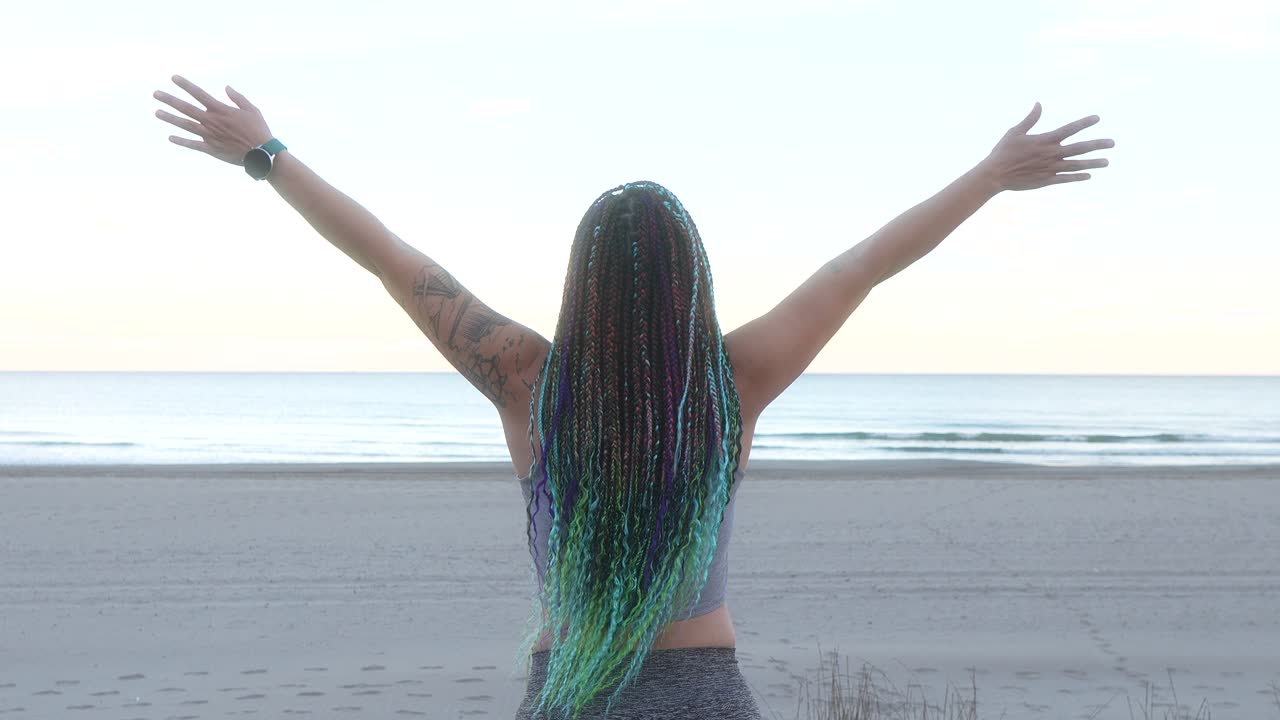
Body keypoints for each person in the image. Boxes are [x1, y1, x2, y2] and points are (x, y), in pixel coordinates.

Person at [153, 75, 1113, 719]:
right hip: (704, 687)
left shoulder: (525, 377)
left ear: (581, 281)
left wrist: (267, 155)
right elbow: (862, 266)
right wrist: (988, 177)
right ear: (694, 279)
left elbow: (392, 261)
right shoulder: (733, 382)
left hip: (569, 687)